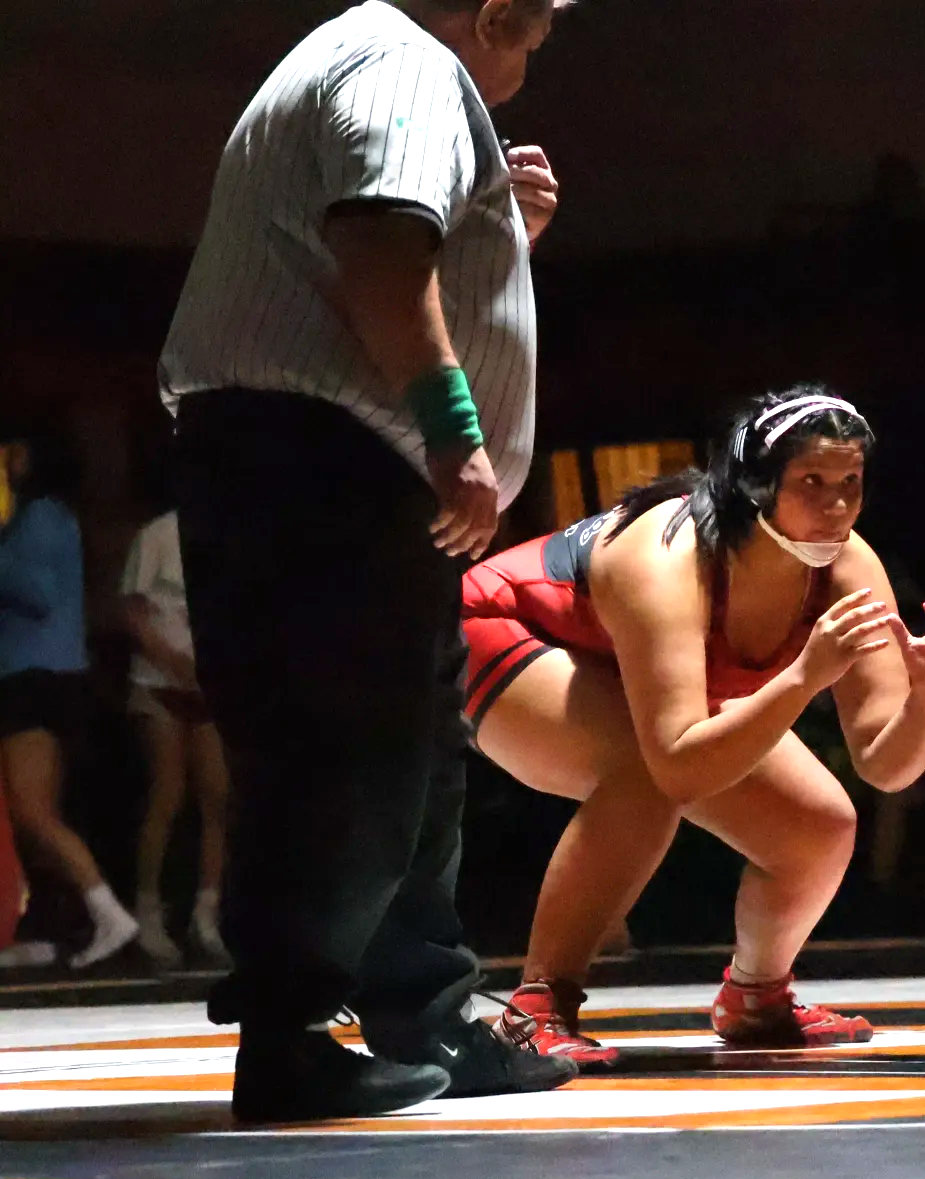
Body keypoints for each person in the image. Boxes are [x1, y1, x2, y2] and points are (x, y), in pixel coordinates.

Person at [157, 0, 577, 1122]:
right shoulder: (403, 63)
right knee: (339, 745)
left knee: (409, 748)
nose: (527, 71)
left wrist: (497, 232)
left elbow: (399, 255)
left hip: (328, 455)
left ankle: (417, 1007)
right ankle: (292, 1033)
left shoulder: (372, 59)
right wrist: (453, 430)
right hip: (321, 456)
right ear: (493, 13)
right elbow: (381, 246)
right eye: (532, 39)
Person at [463, 388, 925, 1067]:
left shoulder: (850, 568)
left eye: (850, 483)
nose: (837, 505)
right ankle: (539, 1004)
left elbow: (884, 764)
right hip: (504, 633)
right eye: (812, 482)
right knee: (646, 772)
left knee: (820, 824)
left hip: (651, 682)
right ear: (756, 484)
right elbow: (676, 764)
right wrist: (801, 678)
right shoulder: (668, 555)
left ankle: (757, 994)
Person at [0, 430, 138, 969]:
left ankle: (109, 914)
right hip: (35, 678)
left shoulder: (42, 516)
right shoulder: (35, 517)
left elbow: (35, 594)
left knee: (34, 814)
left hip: (36, 679)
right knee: (28, 813)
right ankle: (50, 930)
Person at [119, 508, 229, 967]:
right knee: (167, 795)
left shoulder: (231, 533)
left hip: (209, 689)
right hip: (159, 684)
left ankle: (207, 915)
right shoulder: (158, 533)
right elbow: (133, 611)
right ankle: (147, 911)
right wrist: (173, 662)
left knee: (217, 799)